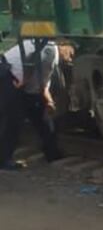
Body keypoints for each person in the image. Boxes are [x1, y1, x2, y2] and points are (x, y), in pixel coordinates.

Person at [0, 38, 74, 169]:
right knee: (13, 120)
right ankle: (4, 160)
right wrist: (25, 79)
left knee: (37, 114)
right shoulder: (51, 51)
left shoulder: (47, 48)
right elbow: (34, 62)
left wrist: (48, 101)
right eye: (71, 52)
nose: (70, 59)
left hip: (11, 75)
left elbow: (42, 84)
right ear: (63, 45)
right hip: (9, 76)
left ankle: (51, 152)